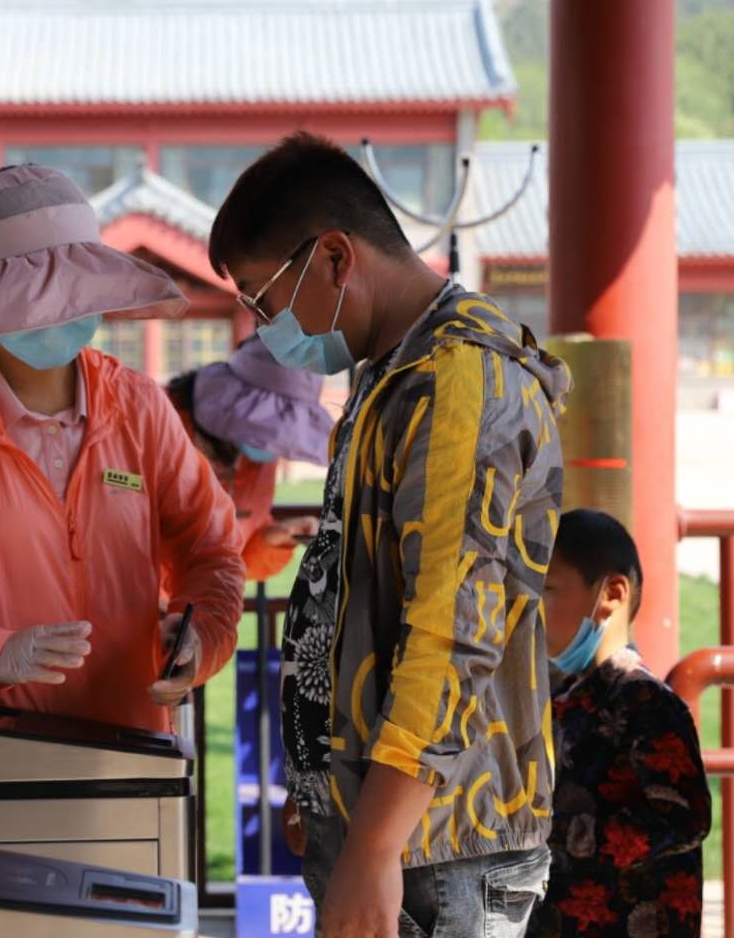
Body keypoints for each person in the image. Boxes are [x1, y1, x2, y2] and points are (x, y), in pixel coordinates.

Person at [207, 132, 571, 937]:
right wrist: (327, 795)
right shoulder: (391, 370)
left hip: (432, 845)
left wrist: (372, 844)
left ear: (334, 258)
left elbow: (449, 632)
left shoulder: (457, 382)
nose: (265, 328)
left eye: (264, 300)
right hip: (382, 824)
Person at [0, 164, 246, 733]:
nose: (55, 313)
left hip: (131, 748)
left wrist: (201, 636)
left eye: (68, 291)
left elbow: (210, 548)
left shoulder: (139, 405)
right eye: (30, 297)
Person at [528, 509, 710, 937]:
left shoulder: (644, 702)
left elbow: (685, 818)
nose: (532, 611)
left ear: (612, 591)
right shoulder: (564, 695)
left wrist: (557, 832)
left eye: (547, 590)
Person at [165, 336, 331, 582]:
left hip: (201, 606)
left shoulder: (258, 453)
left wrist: (273, 537)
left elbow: (238, 559)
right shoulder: (158, 427)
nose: (272, 446)